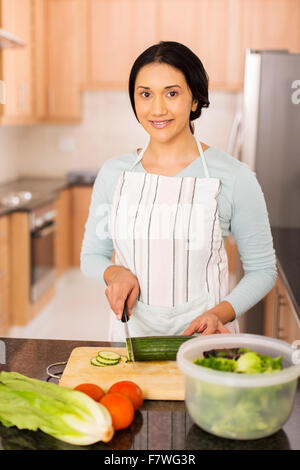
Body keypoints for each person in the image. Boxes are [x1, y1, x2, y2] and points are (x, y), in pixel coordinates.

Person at [80, 41, 277, 342]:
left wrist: (219, 313)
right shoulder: (114, 175)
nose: (157, 109)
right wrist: (115, 273)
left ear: (195, 100)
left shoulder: (235, 178)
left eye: (172, 93)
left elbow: (262, 270)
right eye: (145, 94)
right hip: (130, 341)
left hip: (206, 344)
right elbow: (92, 255)